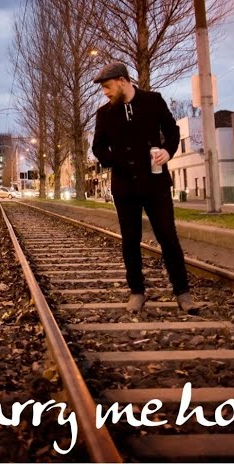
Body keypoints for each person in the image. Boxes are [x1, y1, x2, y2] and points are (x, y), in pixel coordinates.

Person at [90, 61, 201, 314]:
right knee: (130, 240)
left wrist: (168, 151)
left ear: (122, 81)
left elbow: (172, 131)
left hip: (155, 183)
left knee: (168, 237)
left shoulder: (153, 101)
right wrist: (114, 160)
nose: (105, 93)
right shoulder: (104, 113)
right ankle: (137, 292)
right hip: (124, 186)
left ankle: (183, 293)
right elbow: (98, 147)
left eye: (107, 87)